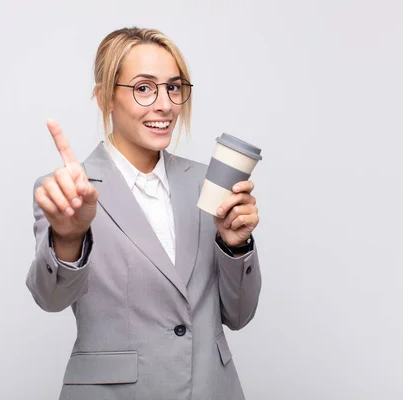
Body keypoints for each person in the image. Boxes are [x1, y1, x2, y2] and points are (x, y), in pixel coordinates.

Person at [26, 27, 262, 400]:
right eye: (143, 87)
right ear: (105, 96)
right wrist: (68, 239)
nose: (165, 104)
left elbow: (239, 315)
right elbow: (50, 298)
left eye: (173, 87)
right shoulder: (69, 191)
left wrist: (236, 247)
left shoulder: (206, 183)